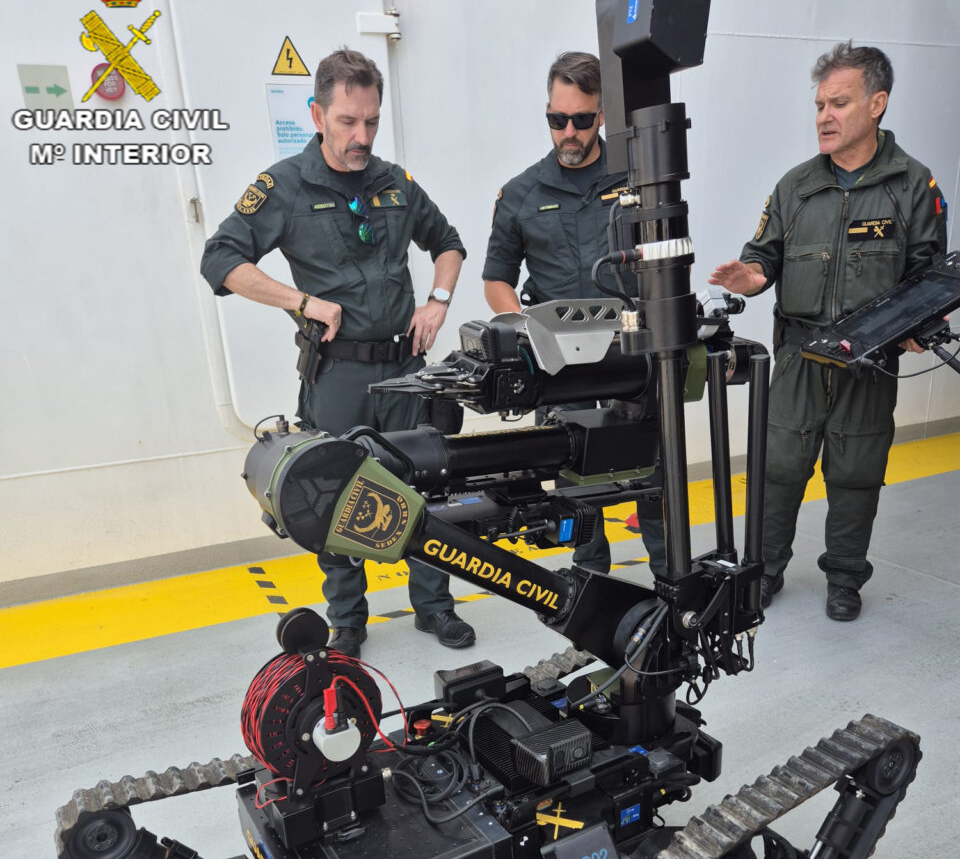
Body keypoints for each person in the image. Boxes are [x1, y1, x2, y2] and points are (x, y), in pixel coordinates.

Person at [201, 48, 475, 657]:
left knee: (425, 486)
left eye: (371, 121)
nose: (362, 136)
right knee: (334, 494)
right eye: (348, 121)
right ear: (317, 114)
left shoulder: (395, 182)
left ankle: (434, 607)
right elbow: (220, 260)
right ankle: (347, 619)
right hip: (338, 374)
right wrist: (299, 301)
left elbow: (448, 243)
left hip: (406, 371)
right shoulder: (284, 186)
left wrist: (437, 301)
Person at [710, 41, 947, 622]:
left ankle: (844, 577)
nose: (824, 116)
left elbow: (929, 275)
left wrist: (920, 324)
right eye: (819, 105)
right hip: (800, 357)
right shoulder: (795, 186)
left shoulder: (913, 186)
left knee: (857, 474)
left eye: (839, 103)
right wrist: (751, 276)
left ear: (877, 104)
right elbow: (764, 255)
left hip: (871, 360)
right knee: (778, 470)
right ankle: (764, 571)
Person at [482, 50, 666, 578]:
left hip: (633, 351)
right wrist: (523, 331)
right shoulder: (520, 193)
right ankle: (590, 581)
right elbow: (496, 279)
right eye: (557, 119)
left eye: (582, 120)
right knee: (572, 472)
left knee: (653, 470)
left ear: (601, 115)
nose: (569, 132)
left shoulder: (637, 178)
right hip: (559, 358)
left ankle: (669, 575)